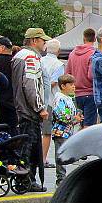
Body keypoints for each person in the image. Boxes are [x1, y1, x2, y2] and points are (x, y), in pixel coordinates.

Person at [12, 28, 49, 192]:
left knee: (25, 147)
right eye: (43, 41)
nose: (45, 44)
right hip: (28, 111)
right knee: (29, 148)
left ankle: (25, 179)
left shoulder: (20, 56)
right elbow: (31, 85)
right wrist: (40, 107)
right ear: (34, 41)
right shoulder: (30, 57)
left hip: (21, 109)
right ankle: (26, 180)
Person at [51, 74, 82, 186]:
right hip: (60, 132)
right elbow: (62, 115)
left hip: (67, 131)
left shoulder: (68, 98)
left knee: (64, 154)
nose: (74, 87)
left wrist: (76, 118)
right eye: (71, 84)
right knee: (61, 155)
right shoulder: (59, 98)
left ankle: (62, 176)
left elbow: (69, 114)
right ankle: (60, 178)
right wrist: (74, 118)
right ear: (63, 86)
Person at [65, 27, 98, 126]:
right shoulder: (94, 54)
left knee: (80, 124)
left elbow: (67, 74)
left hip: (76, 94)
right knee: (88, 127)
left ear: (83, 38)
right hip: (90, 93)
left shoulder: (72, 54)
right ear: (95, 39)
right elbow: (91, 75)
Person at [40, 38, 64, 168]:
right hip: (50, 101)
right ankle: (43, 159)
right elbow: (55, 82)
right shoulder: (58, 65)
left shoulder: (40, 60)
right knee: (47, 132)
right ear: (58, 51)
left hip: (37, 99)